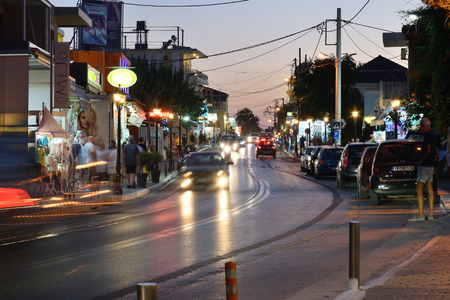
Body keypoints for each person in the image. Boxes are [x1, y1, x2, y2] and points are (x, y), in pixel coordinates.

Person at [409, 118, 439, 222]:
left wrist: (420, 162)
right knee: (429, 189)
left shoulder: (427, 136)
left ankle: (421, 214)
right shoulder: (434, 136)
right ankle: (430, 213)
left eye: (422, 125)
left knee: (419, 188)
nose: (420, 128)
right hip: (431, 166)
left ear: (427, 126)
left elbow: (428, 150)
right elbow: (436, 152)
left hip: (425, 166)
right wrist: (433, 159)